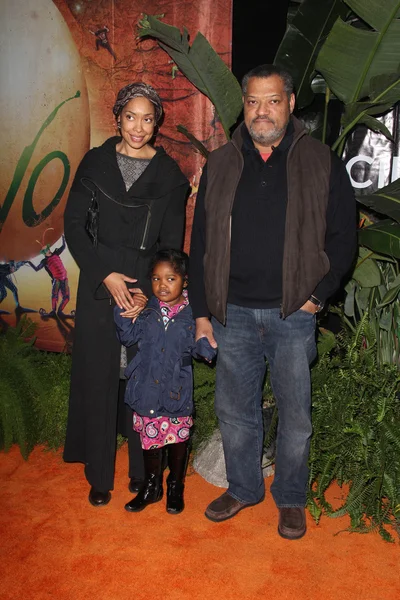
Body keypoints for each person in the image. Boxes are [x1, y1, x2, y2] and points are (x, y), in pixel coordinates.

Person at [190, 64, 356, 539]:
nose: (262, 111)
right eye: (254, 102)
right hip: (232, 314)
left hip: (292, 315)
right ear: (244, 105)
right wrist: (202, 313)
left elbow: (344, 238)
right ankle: (243, 488)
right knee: (235, 411)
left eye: (273, 100)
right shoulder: (221, 163)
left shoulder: (321, 160)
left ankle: (290, 497)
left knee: (296, 417)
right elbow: (200, 243)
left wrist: (317, 298)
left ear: (290, 103)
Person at [63, 82, 189, 507]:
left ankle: (143, 471)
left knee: (143, 379)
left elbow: (171, 245)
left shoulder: (170, 177)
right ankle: (99, 475)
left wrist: (153, 299)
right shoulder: (95, 163)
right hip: (100, 283)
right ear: (117, 116)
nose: (138, 127)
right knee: (100, 375)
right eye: (131, 116)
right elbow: (74, 227)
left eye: (147, 118)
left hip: (145, 287)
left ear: (157, 123)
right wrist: (105, 276)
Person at [114, 249, 216, 514]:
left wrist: (207, 346)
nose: (162, 285)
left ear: (185, 280)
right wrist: (125, 309)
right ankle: (151, 488)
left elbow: (201, 347)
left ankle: (175, 487)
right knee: (151, 439)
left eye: (170, 279)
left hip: (176, 391)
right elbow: (128, 337)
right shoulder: (146, 309)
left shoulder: (194, 314)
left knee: (178, 441)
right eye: (157, 279)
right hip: (146, 388)